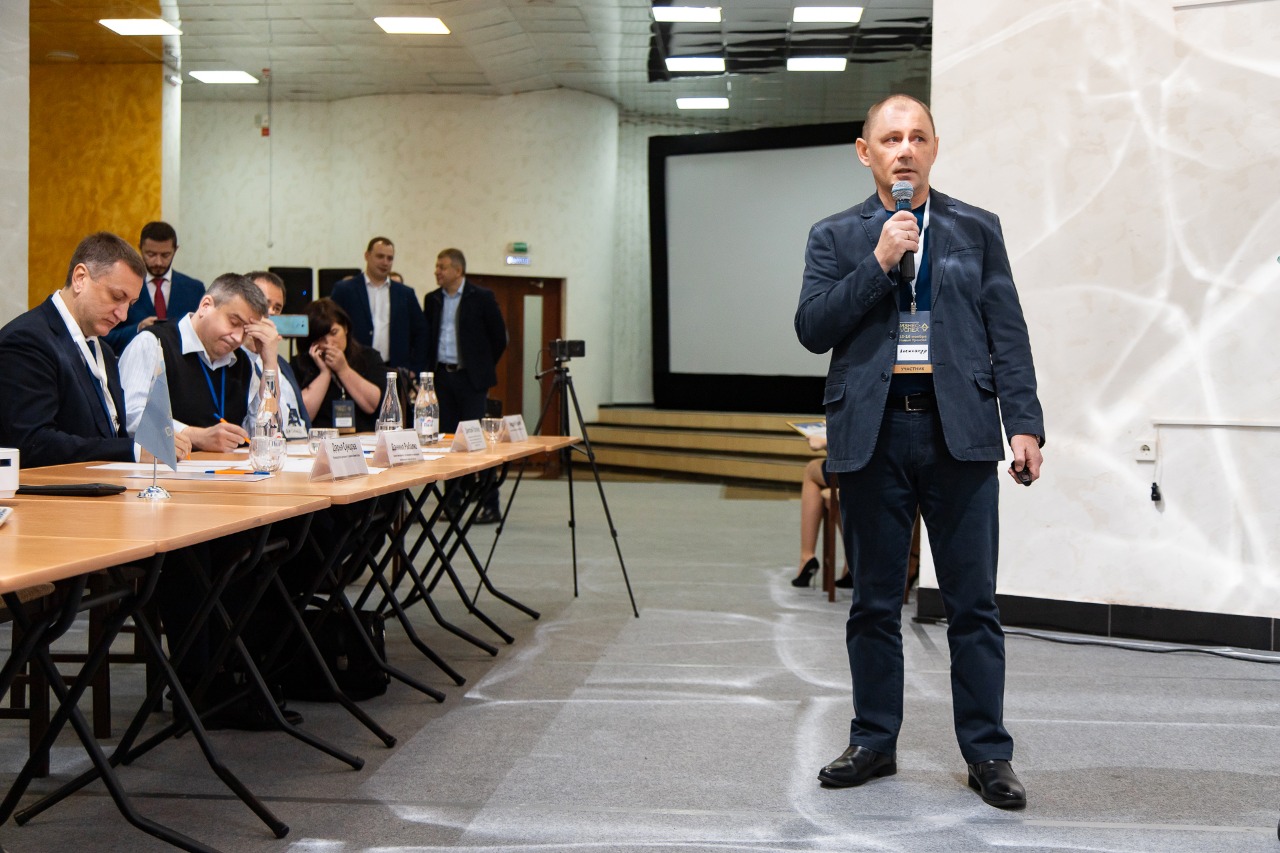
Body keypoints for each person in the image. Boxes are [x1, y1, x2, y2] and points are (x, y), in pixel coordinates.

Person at [794, 94, 1045, 809]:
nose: (905, 149)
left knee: (973, 605)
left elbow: (1007, 332)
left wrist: (1024, 424)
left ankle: (988, 753)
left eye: (918, 137)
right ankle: (873, 740)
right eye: (890, 138)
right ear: (865, 151)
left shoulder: (976, 228)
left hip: (957, 431)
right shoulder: (834, 235)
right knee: (874, 603)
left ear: (934, 148)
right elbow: (812, 328)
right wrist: (879, 260)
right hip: (872, 433)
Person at [0, 232, 191, 466]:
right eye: (117, 297)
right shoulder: (27, 340)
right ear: (80, 278)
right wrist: (132, 451)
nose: (123, 315)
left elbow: (111, 435)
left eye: (130, 304)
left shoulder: (105, 351)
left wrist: (148, 445)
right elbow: (33, 443)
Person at [119, 273, 271, 452]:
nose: (238, 338)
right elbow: (132, 415)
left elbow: (263, 433)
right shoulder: (153, 343)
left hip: (227, 467)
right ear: (206, 306)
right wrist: (193, 435)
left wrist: (270, 363)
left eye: (246, 332)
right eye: (233, 322)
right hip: (167, 466)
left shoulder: (242, 363)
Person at [423, 248, 509, 522]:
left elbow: (499, 338)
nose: (437, 271)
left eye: (442, 267)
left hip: (471, 380)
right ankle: (452, 502)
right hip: (442, 377)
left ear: (458, 270)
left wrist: (480, 367)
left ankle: (490, 503)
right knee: (449, 441)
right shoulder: (433, 299)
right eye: (437, 266)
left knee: (475, 439)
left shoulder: (481, 297)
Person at [104, 221, 205, 353]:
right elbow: (104, 338)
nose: (158, 262)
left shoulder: (195, 289)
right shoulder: (122, 286)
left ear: (175, 250)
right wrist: (138, 328)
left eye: (165, 255)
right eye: (151, 254)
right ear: (140, 248)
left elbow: (203, 336)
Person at [330, 236, 428, 372]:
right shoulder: (345, 289)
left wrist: (414, 368)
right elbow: (331, 326)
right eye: (380, 256)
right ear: (367, 256)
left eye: (390, 258)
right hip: (354, 368)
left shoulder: (405, 293)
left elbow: (421, 332)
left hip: (393, 369)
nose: (385, 262)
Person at [292, 298, 386, 433]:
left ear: (345, 328)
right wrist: (325, 373)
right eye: (320, 338)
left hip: (364, 438)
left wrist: (343, 369)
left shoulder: (368, 357)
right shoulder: (299, 364)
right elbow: (301, 415)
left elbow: (373, 405)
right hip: (318, 440)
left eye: (334, 333)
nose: (329, 343)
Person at [244, 270, 310, 434]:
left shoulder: (283, 364)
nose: (271, 312)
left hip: (299, 445)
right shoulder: (234, 361)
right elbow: (259, 430)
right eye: (264, 304)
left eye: (277, 308)